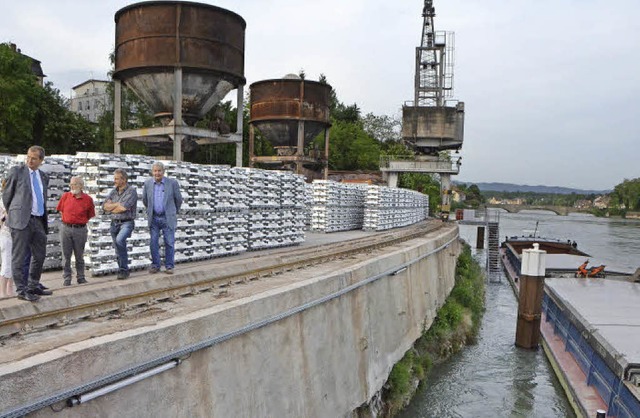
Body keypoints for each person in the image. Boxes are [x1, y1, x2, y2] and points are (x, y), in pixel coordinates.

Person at [2, 145, 51, 302]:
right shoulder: (17, 171)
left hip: (38, 220)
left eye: (34, 158)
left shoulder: (43, 176)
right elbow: (7, 196)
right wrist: (15, 213)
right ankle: (21, 290)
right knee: (19, 255)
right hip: (21, 220)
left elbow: (42, 197)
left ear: (41, 161)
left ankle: (33, 285)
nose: (30, 160)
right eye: (28, 157)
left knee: (39, 254)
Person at [143, 162, 182, 274]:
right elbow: (145, 200)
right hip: (154, 217)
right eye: (155, 171)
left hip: (167, 217)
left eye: (159, 171)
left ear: (163, 172)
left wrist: (173, 211)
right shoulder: (148, 184)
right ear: (152, 172)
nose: (157, 173)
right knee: (153, 242)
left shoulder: (172, 183)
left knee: (169, 242)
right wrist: (151, 210)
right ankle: (155, 265)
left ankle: (169, 266)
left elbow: (178, 199)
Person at [56, 176, 95, 286]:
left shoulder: (88, 199)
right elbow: (61, 210)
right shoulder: (65, 196)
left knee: (79, 254)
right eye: (71, 184)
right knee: (66, 254)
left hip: (80, 229)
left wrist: (79, 221)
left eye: (75, 184)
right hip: (66, 228)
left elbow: (90, 214)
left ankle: (81, 277)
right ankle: (67, 277)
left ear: (81, 186)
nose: (72, 186)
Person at [103, 168, 137, 280]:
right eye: (114, 178)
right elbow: (105, 206)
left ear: (124, 179)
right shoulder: (113, 191)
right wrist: (116, 205)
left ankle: (123, 269)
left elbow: (123, 208)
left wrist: (113, 205)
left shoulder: (131, 191)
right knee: (117, 247)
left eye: (117, 179)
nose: (115, 181)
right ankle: (122, 270)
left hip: (126, 222)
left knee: (120, 241)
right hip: (114, 223)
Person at [0, 185, 15, 298]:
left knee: (13, 263)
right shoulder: (3, 201)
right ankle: (2, 291)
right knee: (6, 263)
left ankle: (10, 289)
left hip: (14, 235)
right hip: (6, 235)